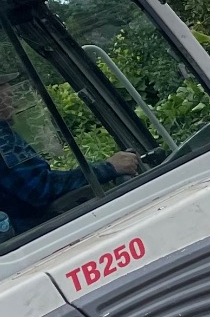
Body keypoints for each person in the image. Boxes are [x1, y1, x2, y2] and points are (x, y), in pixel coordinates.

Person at [0, 79, 140, 232]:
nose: (12, 98)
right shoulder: (3, 139)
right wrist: (108, 168)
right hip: (33, 235)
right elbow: (41, 189)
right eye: (5, 91)